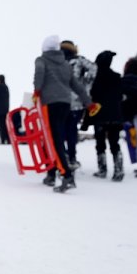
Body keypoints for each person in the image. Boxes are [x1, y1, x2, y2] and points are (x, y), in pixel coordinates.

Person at [34, 35, 98, 193]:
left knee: (52, 140)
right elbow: (77, 86)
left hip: (49, 103)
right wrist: (88, 103)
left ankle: (66, 175)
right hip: (65, 104)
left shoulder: (41, 60)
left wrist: (36, 91)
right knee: (57, 138)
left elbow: (39, 74)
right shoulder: (65, 64)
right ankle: (52, 173)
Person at [86, 50, 125, 181]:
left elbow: (91, 95)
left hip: (99, 115)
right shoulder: (117, 77)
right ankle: (119, 170)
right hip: (115, 115)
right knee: (115, 143)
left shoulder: (95, 78)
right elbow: (121, 96)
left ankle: (102, 169)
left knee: (100, 143)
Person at [60, 41, 97, 171]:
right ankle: (72, 158)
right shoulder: (79, 60)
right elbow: (94, 69)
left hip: (59, 101)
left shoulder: (57, 61)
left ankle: (62, 156)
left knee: (59, 130)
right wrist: (86, 85)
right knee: (72, 130)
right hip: (76, 101)